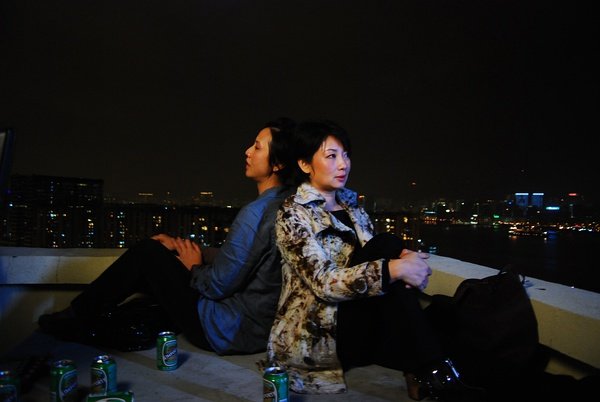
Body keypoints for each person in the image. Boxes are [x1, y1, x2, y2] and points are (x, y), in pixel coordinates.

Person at [266, 119, 484, 401]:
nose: (343, 164)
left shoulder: (351, 204)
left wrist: (401, 261)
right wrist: (394, 268)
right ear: (305, 164)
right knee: (388, 250)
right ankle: (431, 373)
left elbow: (373, 257)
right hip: (318, 331)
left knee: (400, 260)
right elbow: (323, 283)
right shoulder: (293, 214)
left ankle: (429, 372)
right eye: (331, 156)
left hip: (356, 322)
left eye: (345, 155)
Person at [38, 117, 297, 355]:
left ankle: (75, 316)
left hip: (226, 330)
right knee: (158, 266)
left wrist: (193, 266)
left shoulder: (255, 214)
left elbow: (218, 286)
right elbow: (248, 259)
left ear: (278, 163)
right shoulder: (287, 205)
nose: (247, 152)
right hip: (258, 330)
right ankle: (97, 322)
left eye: (257, 147)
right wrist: (194, 250)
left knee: (147, 253)